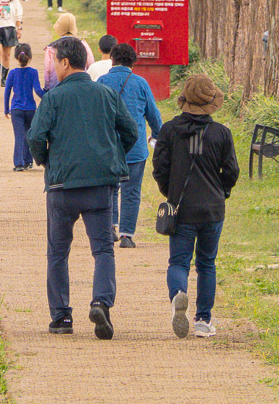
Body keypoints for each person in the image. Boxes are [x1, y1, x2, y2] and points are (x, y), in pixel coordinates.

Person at [27, 35, 139, 339]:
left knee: (58, 253)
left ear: (64, 62)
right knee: (103, 249)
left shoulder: (52, 98)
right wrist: (113, 154)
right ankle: (101, 301)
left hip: (62, 186)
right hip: (100, 186)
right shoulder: (105, 94)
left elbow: (36, 137)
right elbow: (130, 132)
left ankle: (61, 317)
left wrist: (47, 161)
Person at [151, 75, 241, 339]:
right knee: (207, 263)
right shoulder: (221, 133)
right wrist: (221, 191)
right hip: (213, 209)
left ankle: (179, 295)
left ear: (185, 100)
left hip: (182, 208)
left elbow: (160, 169)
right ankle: (203, 320)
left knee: (179, 261)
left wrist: (171, 193)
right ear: (212, 102)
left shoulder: (169, 130)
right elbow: (232, 171)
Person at [99, 43, 164, 247]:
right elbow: (154, 116)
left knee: (110, 188)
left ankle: (111, 228)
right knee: (132, 191)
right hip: (135, 148)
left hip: (108, 147)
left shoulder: (101, 82)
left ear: (112, 59)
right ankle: (127, 235)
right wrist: (156, 135)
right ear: (133, 62)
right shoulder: (141, 83)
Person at [3, 42, 42, 170]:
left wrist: (6, 109)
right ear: (30, 57)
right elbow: (37, 90)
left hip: (16, 109)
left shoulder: (13, 73)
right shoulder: (33, 72)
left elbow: (7, 92)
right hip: (31, 108)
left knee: (19, 136)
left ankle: (18, 163)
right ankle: (28, 161)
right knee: (29, 135)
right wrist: (47, 96)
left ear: (16, 57)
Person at [39, 14, 88, 92]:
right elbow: (90, 65)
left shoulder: (51, 48)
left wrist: (47, 88)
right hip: (81, 88)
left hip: (56, 89)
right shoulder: (83, 45)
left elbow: (47, 70)